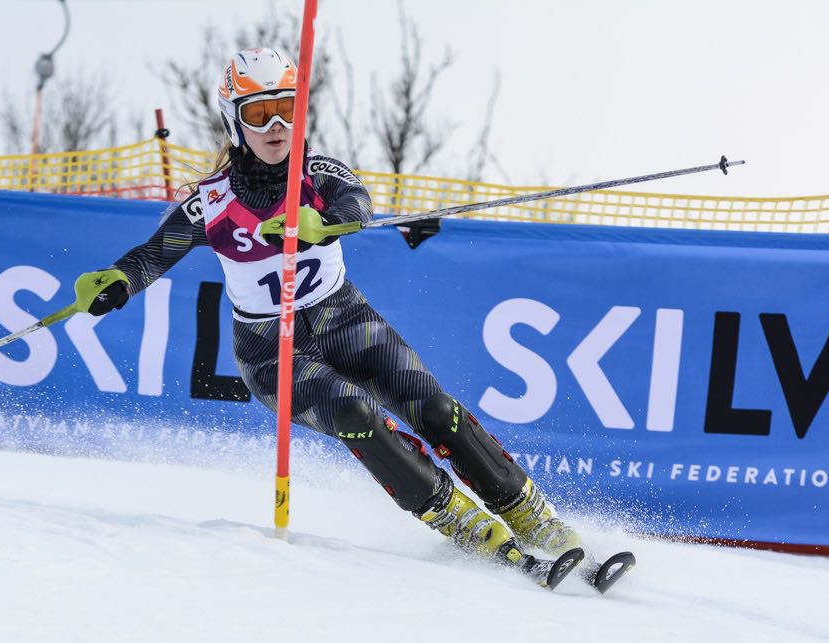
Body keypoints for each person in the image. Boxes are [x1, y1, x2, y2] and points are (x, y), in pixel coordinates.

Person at [78, 48, 586, 586]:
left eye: (286, 109)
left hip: (345, 319)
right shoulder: (212, 203)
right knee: (354, 412)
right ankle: (462, 523)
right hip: (272, 352)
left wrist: (321, 223)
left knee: (435, 408)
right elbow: (151, 256)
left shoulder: (318, 173)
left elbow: (357, 203)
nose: (276, 126)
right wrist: (118, 280)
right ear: (233, 122)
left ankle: (532, 515)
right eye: (258, 114)